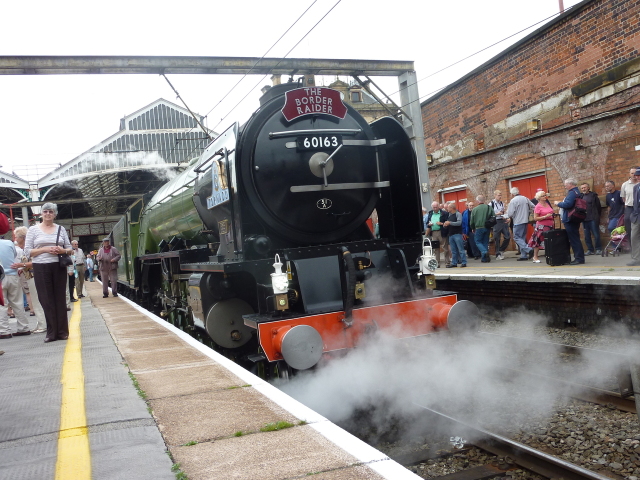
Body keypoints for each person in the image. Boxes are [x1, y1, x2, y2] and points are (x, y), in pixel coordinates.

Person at [24, 202, 73, 343]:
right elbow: (28, 251)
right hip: (41, 267)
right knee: (46, 299)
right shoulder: (33, 230)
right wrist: (45, 249)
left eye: (51, 212)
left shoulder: (61, 229)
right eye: (45, 211)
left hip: (58, 266)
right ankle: (51, 332)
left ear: (55, 214)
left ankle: (63, 332)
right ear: (41, 214)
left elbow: (70, 249)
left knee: (59, 298)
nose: (48, 214)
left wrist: (62, 250)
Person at [11, 227, 46, 333]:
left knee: (37, 301)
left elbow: (36, 262)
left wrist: (22, 265)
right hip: (30, 276)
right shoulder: (25, 247)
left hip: (35, 276)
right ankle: (40, 323)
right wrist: (23, 268)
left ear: (23, 237)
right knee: (35, 301)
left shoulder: (31, 247)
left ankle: (43, 325)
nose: (16, 239)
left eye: (17, 237)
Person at [0, 235, 30, 339]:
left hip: (1, 277)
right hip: (13, 275)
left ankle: (4, 331)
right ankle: (24, 328)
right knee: (18, 302)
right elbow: (14, 255)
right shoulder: (9, 243)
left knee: (2, 304)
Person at [555, 178, 585, 265]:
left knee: (574, 239)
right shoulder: (577, 192)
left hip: (570, 218)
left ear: (571, 184)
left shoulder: (572, 193)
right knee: (575, 238)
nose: (565, 186)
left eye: (566, 185)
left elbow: (568, 204)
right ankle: (579, 257)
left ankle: (579, 258)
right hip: (574, 217)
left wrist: (558, 203)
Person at [506, 187, 534, 261]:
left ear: (512, 194)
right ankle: (523, 255)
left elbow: (510, 213)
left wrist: (506, 216)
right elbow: (533, 206)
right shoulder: (525, 198)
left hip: (518, 221)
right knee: (522, 238)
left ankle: (529, 249)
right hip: (525, 220)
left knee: (516, 237)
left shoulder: (513, 201)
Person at [527, 191, 555, 263]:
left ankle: (550, 256)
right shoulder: (538, 206)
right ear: (539, 198)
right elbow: (535, 218)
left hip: (550, 225)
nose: (545, 197)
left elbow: (551, 212)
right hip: (541, 226)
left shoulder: (547, 204)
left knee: (549, 241)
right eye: (543, 196)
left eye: (545, 195)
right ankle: (535, 256)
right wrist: (545, 216)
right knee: (538, 241)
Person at [579, 183, 602, 255]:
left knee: (596, 234)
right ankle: (590, 250)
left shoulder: (593, 196)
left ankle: (598, 249)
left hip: (593, 218)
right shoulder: (581, 197)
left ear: (588, 188)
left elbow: (598, 207)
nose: (583, 189)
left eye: (585, 187)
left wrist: (597, 216)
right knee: (587, 236)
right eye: (582, 188)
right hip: (584, 219)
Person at [470, 195, 494, 263]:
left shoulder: (475, 209)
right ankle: (484, 258)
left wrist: (472, 227)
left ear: (478, 201)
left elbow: (472, 221)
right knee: (485, 242)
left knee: (478, 241)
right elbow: (493, 216)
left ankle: (484, 252)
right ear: (484, 200)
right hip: (487, 227)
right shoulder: (489, 207)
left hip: (479, 227)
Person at [425, 201, 449, 268]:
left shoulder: (444, 213)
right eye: (433, 207)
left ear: (438, 206)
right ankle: (437, 263)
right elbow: (427, 223)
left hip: (441, 231)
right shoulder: (430, 213)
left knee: (445, 248)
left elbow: (447, 222)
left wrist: (441, 223)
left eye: (436, 207)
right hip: (433, 232)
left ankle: (447, 262)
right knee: (436, 248)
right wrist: (429, 224)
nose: (435, 209)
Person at [444, 203, 467, 268]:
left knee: (461, 249)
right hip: (451, 234)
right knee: (453, 250)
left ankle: (464, 262)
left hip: (457, 234)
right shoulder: (449, 215)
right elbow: (449, 224)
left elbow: (459, 223)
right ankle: (454, 263)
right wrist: (445, 225)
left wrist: (450, 223)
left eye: (448, 207)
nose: (447, 209)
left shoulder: (458, 214)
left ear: (452, 208)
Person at [489, 190, 510, 260]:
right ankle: (497, 254)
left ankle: (501, 250)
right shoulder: (491, 204)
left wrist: (506, 217)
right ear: (495, 195)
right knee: (497, 238)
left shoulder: (501, 203)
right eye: (498, 195)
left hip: (503, 220)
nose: (500, 197)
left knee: (507, 237)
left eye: (500, 195)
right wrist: (496, 214)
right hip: (496, 221)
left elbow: (503, 212)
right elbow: (489, 215)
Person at [621, 167, 638, 250]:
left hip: (638, 208)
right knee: (628, 227)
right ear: (629, 174)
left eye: (635, 173)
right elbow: (623, 198)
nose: (634, 175)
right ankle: (633, 248)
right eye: (632, 173)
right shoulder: (625, 185)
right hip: (629, 208)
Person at [626, 167, 640, 266]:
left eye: (639, 175)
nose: (637, 177)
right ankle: (636, 259)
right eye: (636, 175)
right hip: (636, 216)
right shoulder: (636, 187)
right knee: (634, 237)